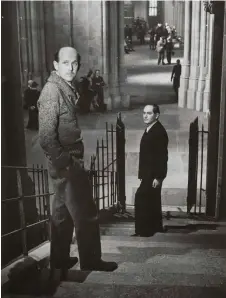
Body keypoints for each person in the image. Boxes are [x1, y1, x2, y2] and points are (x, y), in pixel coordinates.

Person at [38, 46, 117, 275]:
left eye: (74, 63)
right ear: (55, 65)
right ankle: (91, 260)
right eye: (65, 63)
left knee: (62, 213)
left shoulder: (64, 87)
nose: (71, 68)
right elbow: (45, 136)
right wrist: (65, 162)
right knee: (86, 211)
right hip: (66, 160)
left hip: (64, 160)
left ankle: (60, 259)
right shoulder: (53, 91)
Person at [132, 104, 168, 237]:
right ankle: (155, 227)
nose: (145, 116)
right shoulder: (151, 128)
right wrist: (142, 174)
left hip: (153, 174)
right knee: (152, 199)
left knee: (141, 197)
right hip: (148, 173)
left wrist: (159, 177)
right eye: (144, 113)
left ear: (157, 115)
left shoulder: (158, 132)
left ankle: (144, 231)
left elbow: (162, 157)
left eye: (149, 113)